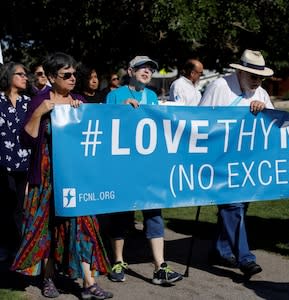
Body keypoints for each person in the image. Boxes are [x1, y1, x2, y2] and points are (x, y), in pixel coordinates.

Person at [11, 52, 113, 299]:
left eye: (74, 74)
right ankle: (47, 279)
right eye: (66, 74)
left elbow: (104, 124)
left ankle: (89, 283)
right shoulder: (39, 101)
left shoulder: (78, 100)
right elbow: (26, 138)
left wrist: (126, 109)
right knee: (47, 228)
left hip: (75, 177)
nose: (72, 78)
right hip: (46, 177)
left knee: (83, 225)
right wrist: (40, 113)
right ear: (51, 77)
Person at [105, 55, 183, 285]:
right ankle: (118, 261)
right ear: (130, 71)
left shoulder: (152, 96)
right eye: (142, 68)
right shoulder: (115, 94)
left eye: (150, 69)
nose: (147, 71)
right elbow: (103, 123)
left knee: (154, 214)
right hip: (123, 167)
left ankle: (160, 266)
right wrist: (120, 109)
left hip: (148, 167)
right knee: (121, 215)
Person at [198, 49, 273, 278]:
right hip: (220, 160)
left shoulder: (260, 92)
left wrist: (263, 112)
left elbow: (273, 123)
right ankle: (245, 259)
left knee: (238, 208)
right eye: (252, 76)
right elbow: (200, 119)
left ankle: (220, 250)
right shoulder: (220, 87)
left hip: (247, 162)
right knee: (233, 207)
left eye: (260, 77)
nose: (257, 81)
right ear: (239, 71)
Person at [0, 61, 31, 262]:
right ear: (9, 77)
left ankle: (16, 248)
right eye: (20, 74)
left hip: (24, 164)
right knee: (4, 205)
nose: (25, 77)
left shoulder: (28, 102)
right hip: (2, 163)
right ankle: (3, 245)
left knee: (19, 208)